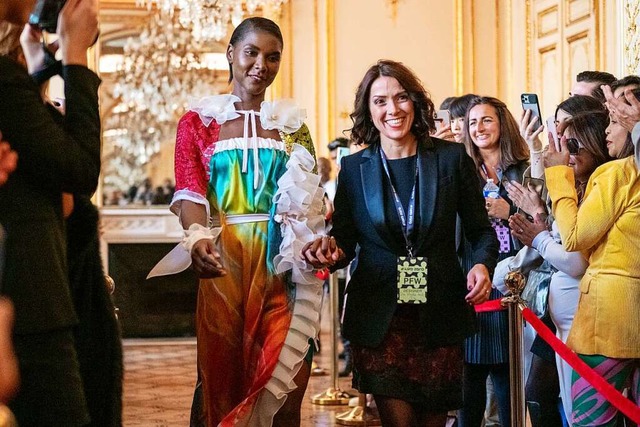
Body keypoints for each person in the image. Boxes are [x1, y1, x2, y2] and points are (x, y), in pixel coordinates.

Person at [301, 59, 498, 427]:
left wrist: (481, 264)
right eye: (380, 101)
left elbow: (480, 230)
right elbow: (344, 241)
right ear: (368, 111)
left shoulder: (450, 159)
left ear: (415, 103)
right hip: (380, 317)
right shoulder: (355, 168)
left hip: (439, 311)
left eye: (401, 97)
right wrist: (329, 250)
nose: (393, 109)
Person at [150, 17, 324, 427]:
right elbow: (190, 192)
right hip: (224, 266)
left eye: (273, 56)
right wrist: (196, 240)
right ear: (231, 54)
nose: (261, 64)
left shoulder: (294, 127)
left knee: (285, 385)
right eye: (252, 52)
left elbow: (310, 202)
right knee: (222, 385)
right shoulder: (197, 122)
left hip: (281, 267)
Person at [0, 0, 101, 425]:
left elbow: (42, 150)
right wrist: (76, 58)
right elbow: (80, 169)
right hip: (29, 303)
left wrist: (39, 67)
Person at [506, 109, 612, 426]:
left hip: (591, 328)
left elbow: (575, 258)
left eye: (573, 146)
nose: (566, 155)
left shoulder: (599, 188)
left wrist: (539, 238)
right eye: (563, 146)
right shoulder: (576, 186)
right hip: (566, 329)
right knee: (566, 407)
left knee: (587, 416)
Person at [543, 95, 640, 426]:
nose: (607, 131)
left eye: (614, 121)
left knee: (590, 420)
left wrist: (557, 174)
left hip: (609, 322)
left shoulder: (617, 173)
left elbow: (573, 239)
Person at [458, 95, 530, 427]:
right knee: (469, 373)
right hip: (473, 272)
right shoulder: (461, 167)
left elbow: (543, 218)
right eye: (472, 122)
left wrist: (510, 210)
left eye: (486, 120)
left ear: (502, 123)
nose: (479, 128)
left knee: (507, 370)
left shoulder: (523, 168)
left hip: (514, 273)